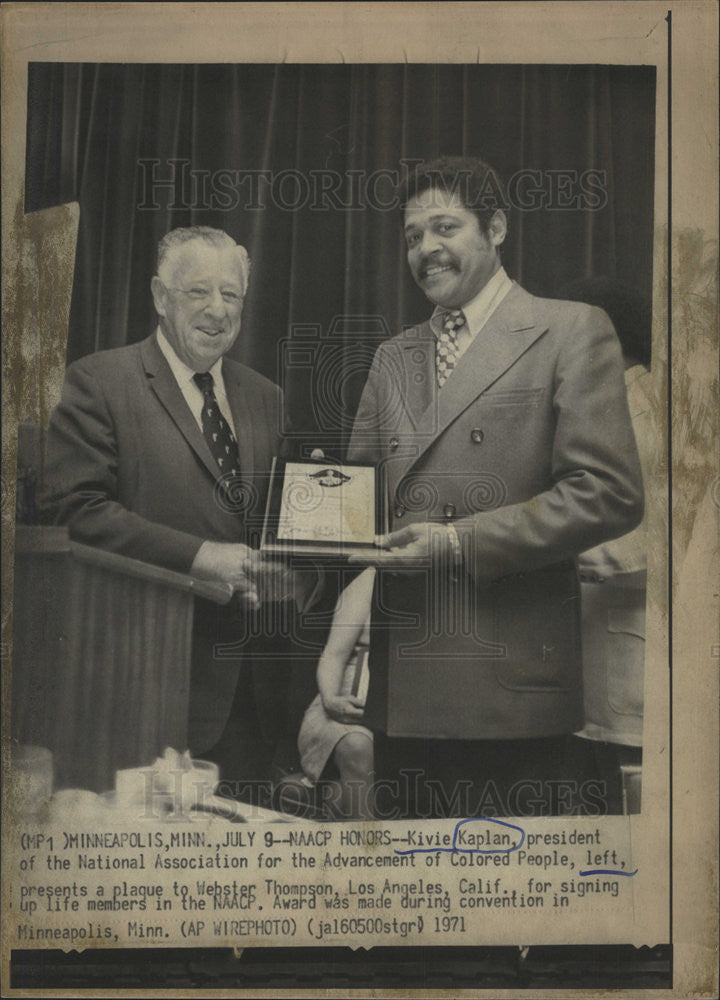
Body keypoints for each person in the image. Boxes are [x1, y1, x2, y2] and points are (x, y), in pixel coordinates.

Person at [347, 157, 644, 818]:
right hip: (403, 696)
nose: (426, 249)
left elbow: (608, 491)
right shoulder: (391, 357)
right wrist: (309, 540)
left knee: (506, 907)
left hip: (513, 695)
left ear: (498, 227)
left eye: (444, 226)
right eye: (411, 237)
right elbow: (358, 509)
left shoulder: (572, 330)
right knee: (413, 910)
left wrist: (456, 543)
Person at [41, 226, 318, 790]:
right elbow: (73, 510)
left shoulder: (266, 396)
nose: (217, 310)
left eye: (231, 294)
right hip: (144, 686)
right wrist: (197, 557)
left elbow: (277, 529)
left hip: (254, 705)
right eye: (198, 292)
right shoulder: (98, 382)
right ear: (159, 296)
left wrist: (305, 566)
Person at [560, 277, 658, 813]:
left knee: (632, 810)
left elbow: (662, 544)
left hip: (633, 654)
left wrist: (556, 555)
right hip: (600, 654)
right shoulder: (612, 406)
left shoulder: (645, 413)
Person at [297, 568, 375, 820]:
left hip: (415, 714)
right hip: (345, 705)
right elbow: (333, 655)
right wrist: (331, 699)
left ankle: (339, 799)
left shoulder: (464, 580)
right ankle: (367, 851)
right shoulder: (372, 579)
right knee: (357, 745)